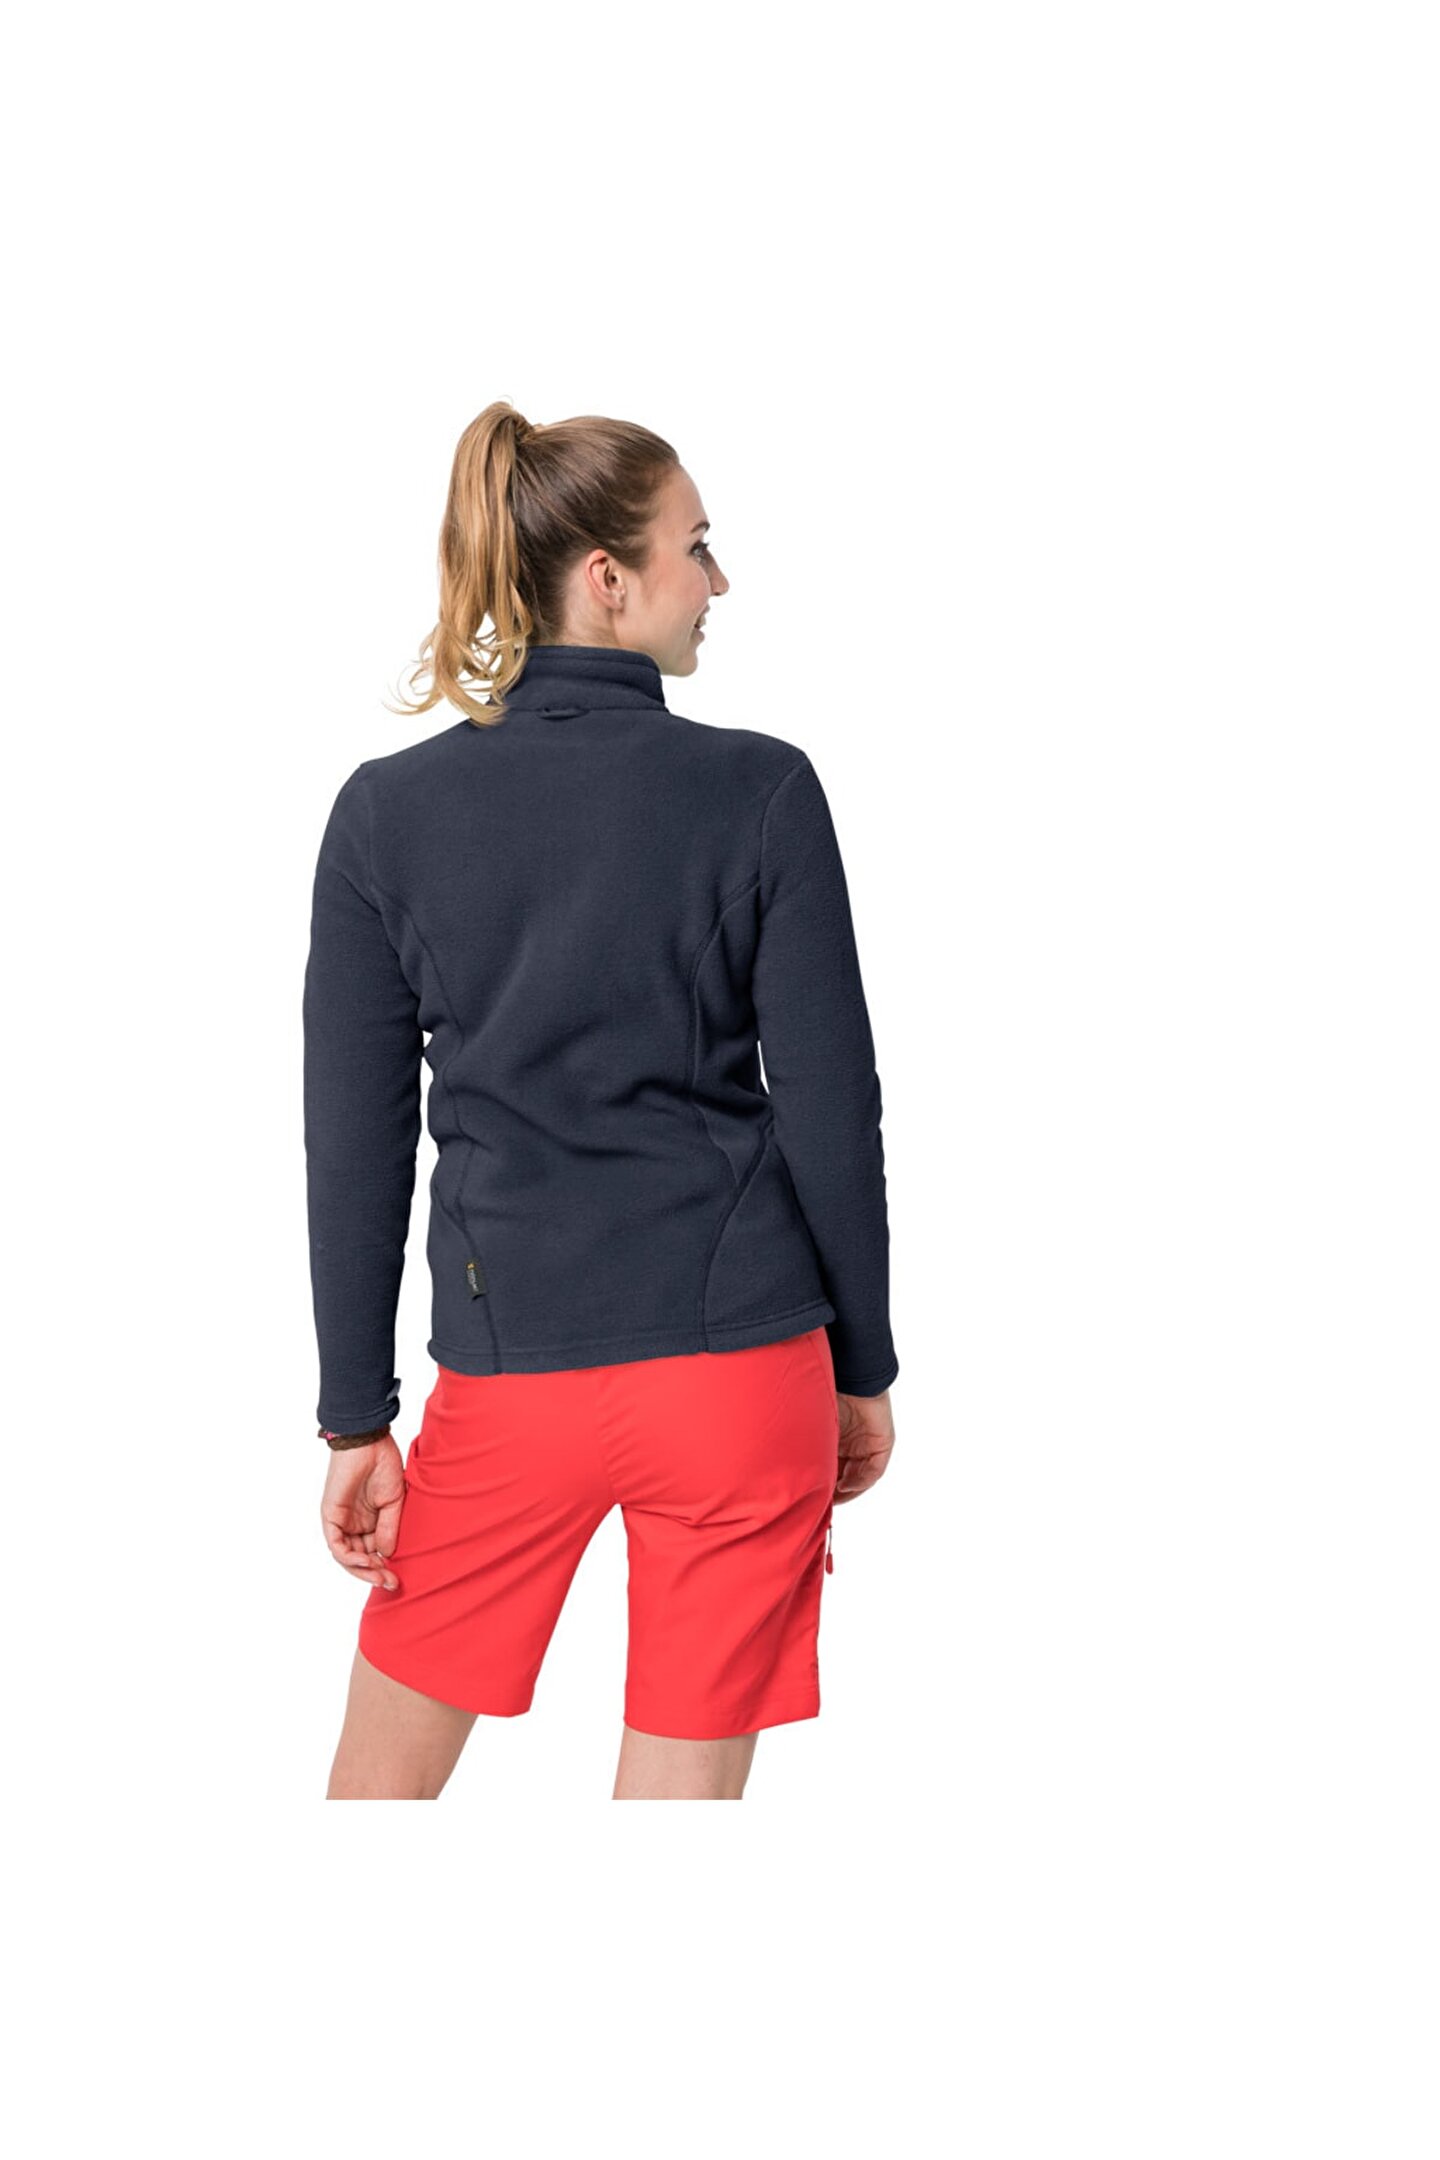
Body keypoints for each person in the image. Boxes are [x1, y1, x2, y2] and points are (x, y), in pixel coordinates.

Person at [304, 401, 899, 1800]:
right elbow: (833, 1112)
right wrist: (862, 1371)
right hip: (741, 1369)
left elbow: (355, 1145)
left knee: (373, 1807)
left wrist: (354, 1418)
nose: (720, 579)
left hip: (510, 1379)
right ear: (608, 579)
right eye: (699, 547)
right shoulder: (761, 791)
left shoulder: (387, 815)